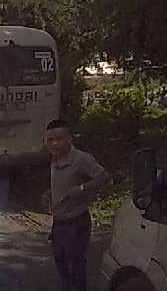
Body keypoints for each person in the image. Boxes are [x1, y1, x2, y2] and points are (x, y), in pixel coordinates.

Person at [45, 118, 111, 291]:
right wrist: (49, 193)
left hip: (76, 222)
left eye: (59, 139)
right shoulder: (54, 160)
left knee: (76, 266)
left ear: (69, 138)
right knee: (60, 262)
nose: (54, 144)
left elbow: (104, 177)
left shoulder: (81, 159)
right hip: (58, 222)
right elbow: (62, 182)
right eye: (50, 140)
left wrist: (83, 188)